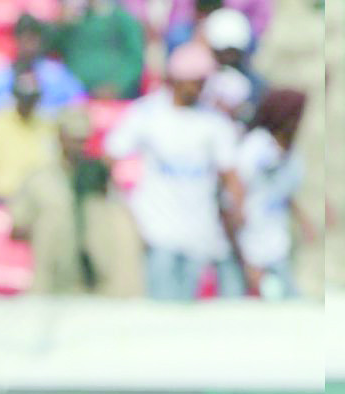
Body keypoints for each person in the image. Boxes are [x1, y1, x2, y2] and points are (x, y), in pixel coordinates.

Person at [104, 43, 248, 300]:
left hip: (199, 232)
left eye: (203, 82)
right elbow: (111, 155)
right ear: (175, 80)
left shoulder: (214, 123)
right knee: (159, 310)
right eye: (194, 82)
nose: (198, 88)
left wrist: (238, 212)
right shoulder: (146, 113)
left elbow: (231, 177)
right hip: (156, 230)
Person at [11, 107, 144, 296]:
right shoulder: (41, 179)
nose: (78, 145)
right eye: (72, 138)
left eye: (82, 140)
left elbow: (122, 219)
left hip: (93, 278)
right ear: (60, 137)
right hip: (53, 276)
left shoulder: (98, 178)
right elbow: (18, 226)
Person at [235, 88, 312, 298]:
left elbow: (284, 191)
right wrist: (244, 257)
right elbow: (235, 195)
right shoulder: (256, 145)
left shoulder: (292, 152)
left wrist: (303, 220)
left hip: (278, 245)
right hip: (250, 246)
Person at [0, 13, 86, 116]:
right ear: (16, 40)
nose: (29, 45)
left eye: (33, 39)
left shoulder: (57, 75)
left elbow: (78, 104)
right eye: (25, 39)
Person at [0, 70, 58, 201]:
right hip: (1, 200)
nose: (28, 104)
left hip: (38, 201)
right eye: (24, 98)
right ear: (15, 96)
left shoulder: (47, 127)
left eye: (33, 99)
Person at [52, 0, 147, 100]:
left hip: (114, 99)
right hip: (75, 97)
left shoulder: (122, 19)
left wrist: (117, 86)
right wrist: (62, 24)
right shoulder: (76, 19)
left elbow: (135, 60)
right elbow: (52, 49)